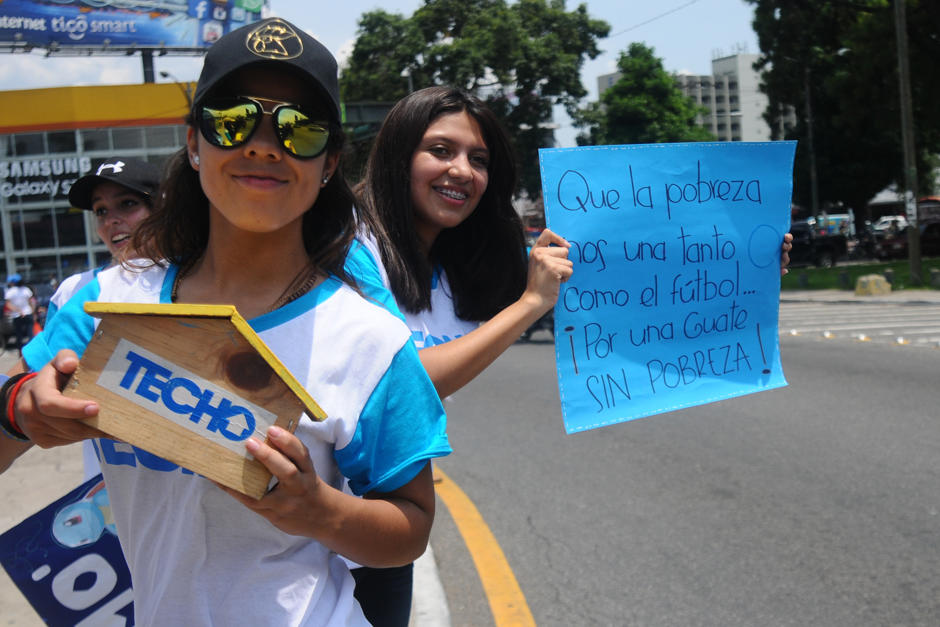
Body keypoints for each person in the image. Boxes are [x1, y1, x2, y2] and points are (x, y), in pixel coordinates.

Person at [0, 17, 448, 626]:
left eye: (300, 128)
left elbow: (410, 528)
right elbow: (12, 423)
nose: (263, 145)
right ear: (194, 143)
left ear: (328, 162)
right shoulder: (109, 302)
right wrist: (22, 411)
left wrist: (319, 510)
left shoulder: (370, 340)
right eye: (232, 120)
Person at [348, 85, 795, 625]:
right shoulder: (352, 244)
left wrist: (746, 265)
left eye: (479, 159)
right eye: (441, 151)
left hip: (379, 527)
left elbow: (620, 268)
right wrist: (533, 302)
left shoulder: (459, 258)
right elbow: (403, 383)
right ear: (398, 155)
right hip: (315, 528)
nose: (463, 171)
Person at [51, 156, 160, 480]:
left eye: (127, 204)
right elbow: (33, 381)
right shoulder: (78, 291)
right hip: (110, 483)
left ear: (164, 210)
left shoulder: (204, 281)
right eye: (101, 211)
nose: (111, 221)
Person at [3, 274, 36, 356]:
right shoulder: (26, 290)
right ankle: (32, 352)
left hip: (17, 315)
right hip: (28, 313)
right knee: (30, 333)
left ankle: (21, 353)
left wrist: (18, 310)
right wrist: (32, 312)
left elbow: (8, 304)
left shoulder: (10, 291)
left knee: (19, 335)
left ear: (12, 282)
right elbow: (31, 302)